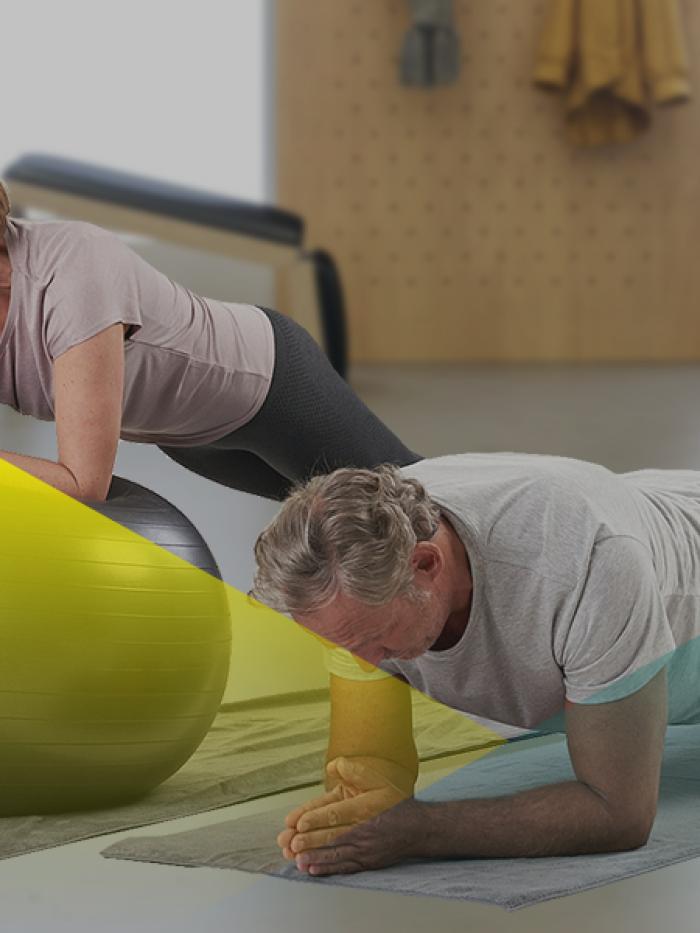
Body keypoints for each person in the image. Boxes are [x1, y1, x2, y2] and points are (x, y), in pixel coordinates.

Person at [251, 452, 700, 875]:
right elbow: (370, 768)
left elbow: (619, 811)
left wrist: (419, 832)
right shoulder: (354, 569)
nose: (360, 663)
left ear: (425, 564)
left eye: (372, 638)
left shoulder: (592, 567)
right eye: (340, 644)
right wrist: (352, 814)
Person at [0, 180, 419, 502]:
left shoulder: (70, 274)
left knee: (421, 504)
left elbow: (84, 484)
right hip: (189, 436)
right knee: (343, 535)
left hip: (271, 385)